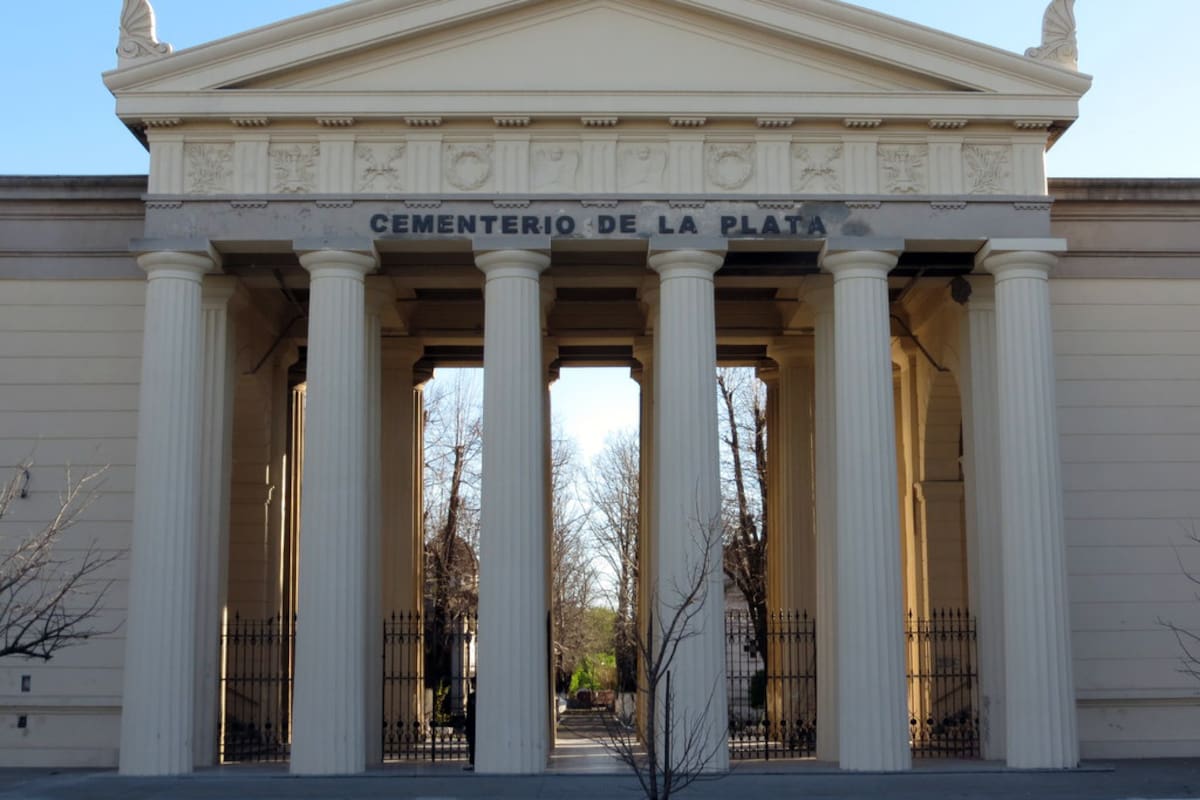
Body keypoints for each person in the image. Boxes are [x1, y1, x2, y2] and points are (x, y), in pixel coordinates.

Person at [464, 677, 477, 770]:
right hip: (472, 723)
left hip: (477, 723)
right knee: (472, 744)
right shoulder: (471, 696)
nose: (472, 685)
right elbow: (469, 712)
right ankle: (473, 762)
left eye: (473, 683)